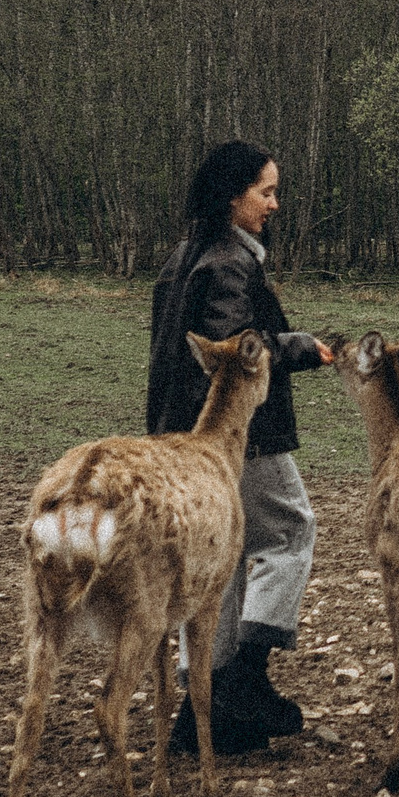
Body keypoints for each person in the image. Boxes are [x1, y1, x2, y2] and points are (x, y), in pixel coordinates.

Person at [146, 140, 333, 755]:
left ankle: (201, 711)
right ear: (234, 197)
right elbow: (237, 354)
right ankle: (245, 681)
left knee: (221, 559)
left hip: (178, 436)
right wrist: (299, 346)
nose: (275, 204)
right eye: (267, 192)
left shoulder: (184, 256)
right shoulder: (230, 262)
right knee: (289, 530)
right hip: (237, 434)